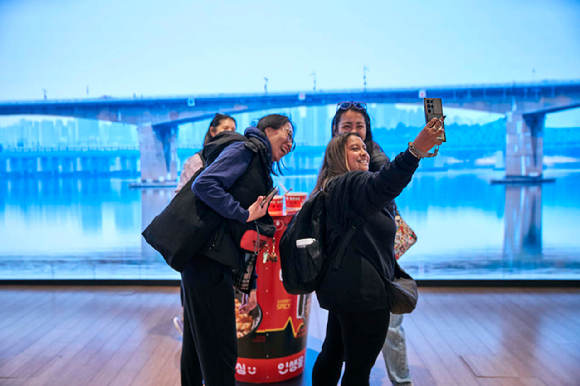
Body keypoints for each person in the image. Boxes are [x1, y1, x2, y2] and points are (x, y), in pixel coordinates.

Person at [311, 121, 443, 385]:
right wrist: (416, 150)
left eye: (364, 147)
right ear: (339, 156)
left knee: (333, 353)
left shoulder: (332, 187)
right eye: (354, 148)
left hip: (342, 292)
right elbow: (387, 181)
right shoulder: (353, 183)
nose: (364, 152)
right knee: (358, 370)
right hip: (365, 296)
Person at [181, 114, 295, 386]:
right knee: (222, 353)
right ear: (268, 130)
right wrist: (243, 214)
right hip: (206, 261)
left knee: (198, 350)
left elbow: (246, 234)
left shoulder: (258, 166)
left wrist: (250, 284)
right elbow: (203, 184)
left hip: (209, 261)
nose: (291, 142)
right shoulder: (245, 150)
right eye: (287, 134)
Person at [330, 101, 412, 385]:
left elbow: (388, 182)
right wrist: (415, 152)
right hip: (359, 275)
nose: (357, 135)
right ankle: (403, 381)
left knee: (340, 346)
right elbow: (384, 184)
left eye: (360, 127)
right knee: (351, 353)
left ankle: (401, 380)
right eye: (347, 128)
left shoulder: (373, 158)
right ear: (335, 133)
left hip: (368, 264)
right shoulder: (342, 173)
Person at [173, 113, 237, 336]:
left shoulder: (233, 162)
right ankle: (188, 326)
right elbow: (180, 197)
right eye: (225, 128)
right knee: (193, 297)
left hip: (221, 243)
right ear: (212, 131)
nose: (230, 133)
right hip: (195, 238)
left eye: (233, 129)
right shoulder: (197, 161)